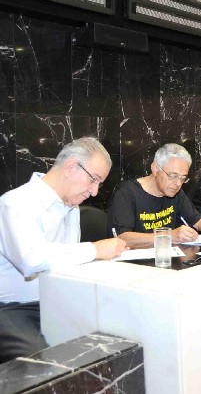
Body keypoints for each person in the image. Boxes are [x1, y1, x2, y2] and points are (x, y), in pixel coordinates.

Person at [0, 137, 127, 363]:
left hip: (57, 299)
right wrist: (94, 249)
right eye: (93, 180)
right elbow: (31, 259)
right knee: (43, 365)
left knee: (119, 336)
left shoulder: (71, 207)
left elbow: (67, 262)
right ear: (70, 166)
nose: (94, 192)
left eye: (99, 184)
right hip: (14, 309)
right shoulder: (16, 202)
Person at [107, 143, 201, 249]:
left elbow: (198, 221)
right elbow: (121, 237)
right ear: (155, 168)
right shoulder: (126, 193)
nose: (178, 184)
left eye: (183, 178)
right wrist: (168, 236)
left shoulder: (176, 193)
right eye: (173, 176)